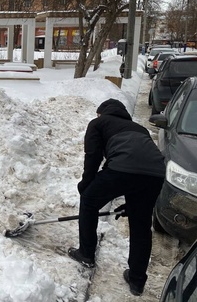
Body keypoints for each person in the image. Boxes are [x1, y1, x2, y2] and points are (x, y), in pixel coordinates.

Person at [67, 99, 165, 296]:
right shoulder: (139, 128)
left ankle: (86, 253)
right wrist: (133, 203)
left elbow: (93, 155)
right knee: (141, 224)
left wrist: (86, 186)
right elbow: (140, 161)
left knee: (89, 202)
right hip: (155, 174)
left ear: (102, 113)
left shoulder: (98, 123)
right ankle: (137, 280)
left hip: (123, 168)